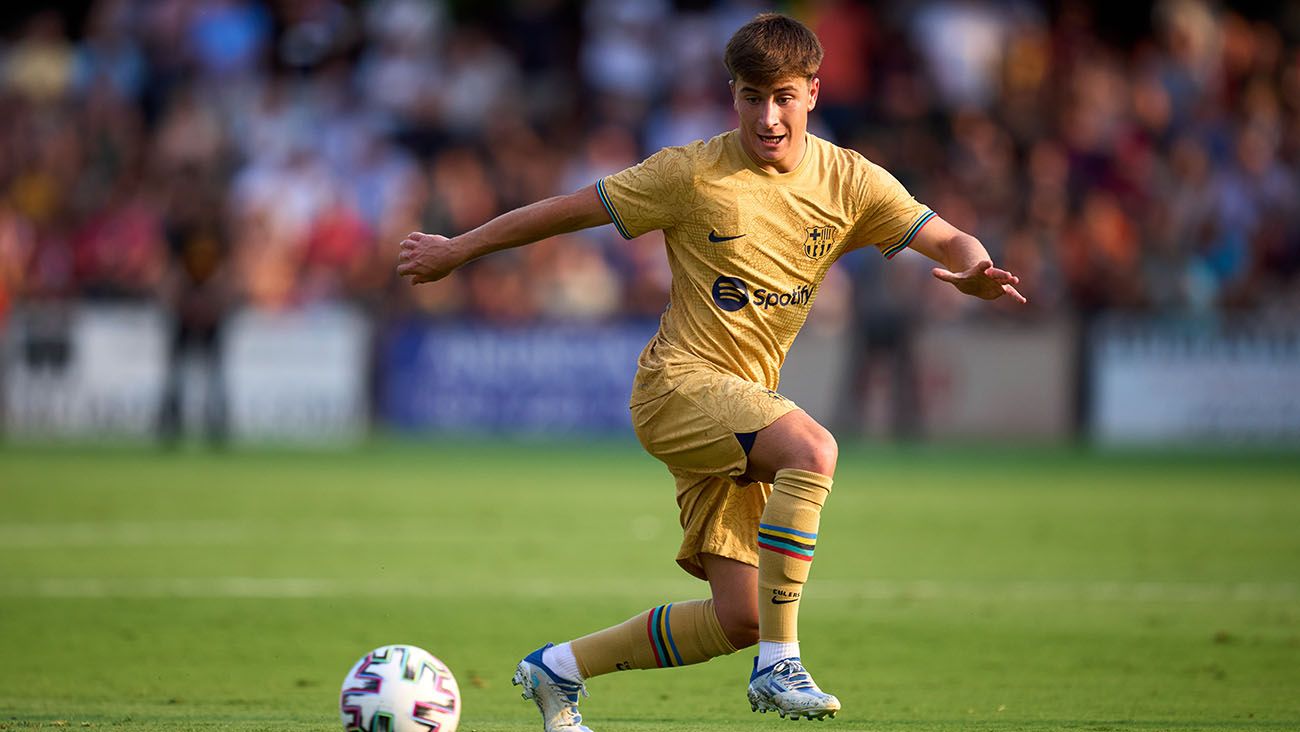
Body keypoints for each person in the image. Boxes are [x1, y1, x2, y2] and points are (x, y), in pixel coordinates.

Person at [397, 13, 1025, 730]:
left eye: (783, 97)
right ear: (733, 96)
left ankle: (558, 670)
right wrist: (458, 250)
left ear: (813, 92)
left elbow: (947, 235)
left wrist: (974, 268)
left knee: (739, 617)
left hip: (741, 407)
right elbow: (566, 213)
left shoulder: (851, 181)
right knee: (813, 449)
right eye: (752, 97)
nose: (768, 116)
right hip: (677, 386)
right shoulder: (690, 173)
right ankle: (782, 664)